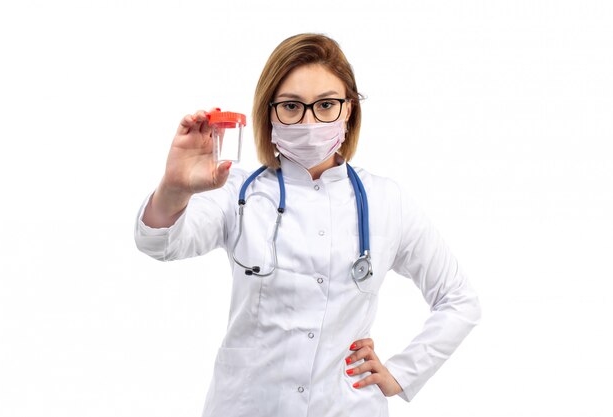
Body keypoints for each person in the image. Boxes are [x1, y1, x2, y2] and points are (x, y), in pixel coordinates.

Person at [134, 33, 481, 417]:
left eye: (326, 105)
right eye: (292, 106)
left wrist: (401, 373)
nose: (310, 120)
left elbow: (458, 300)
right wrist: (174, 188)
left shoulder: (386, 201)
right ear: (269, 113)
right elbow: (160, 243)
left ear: (349, 111)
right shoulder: (239, 193)